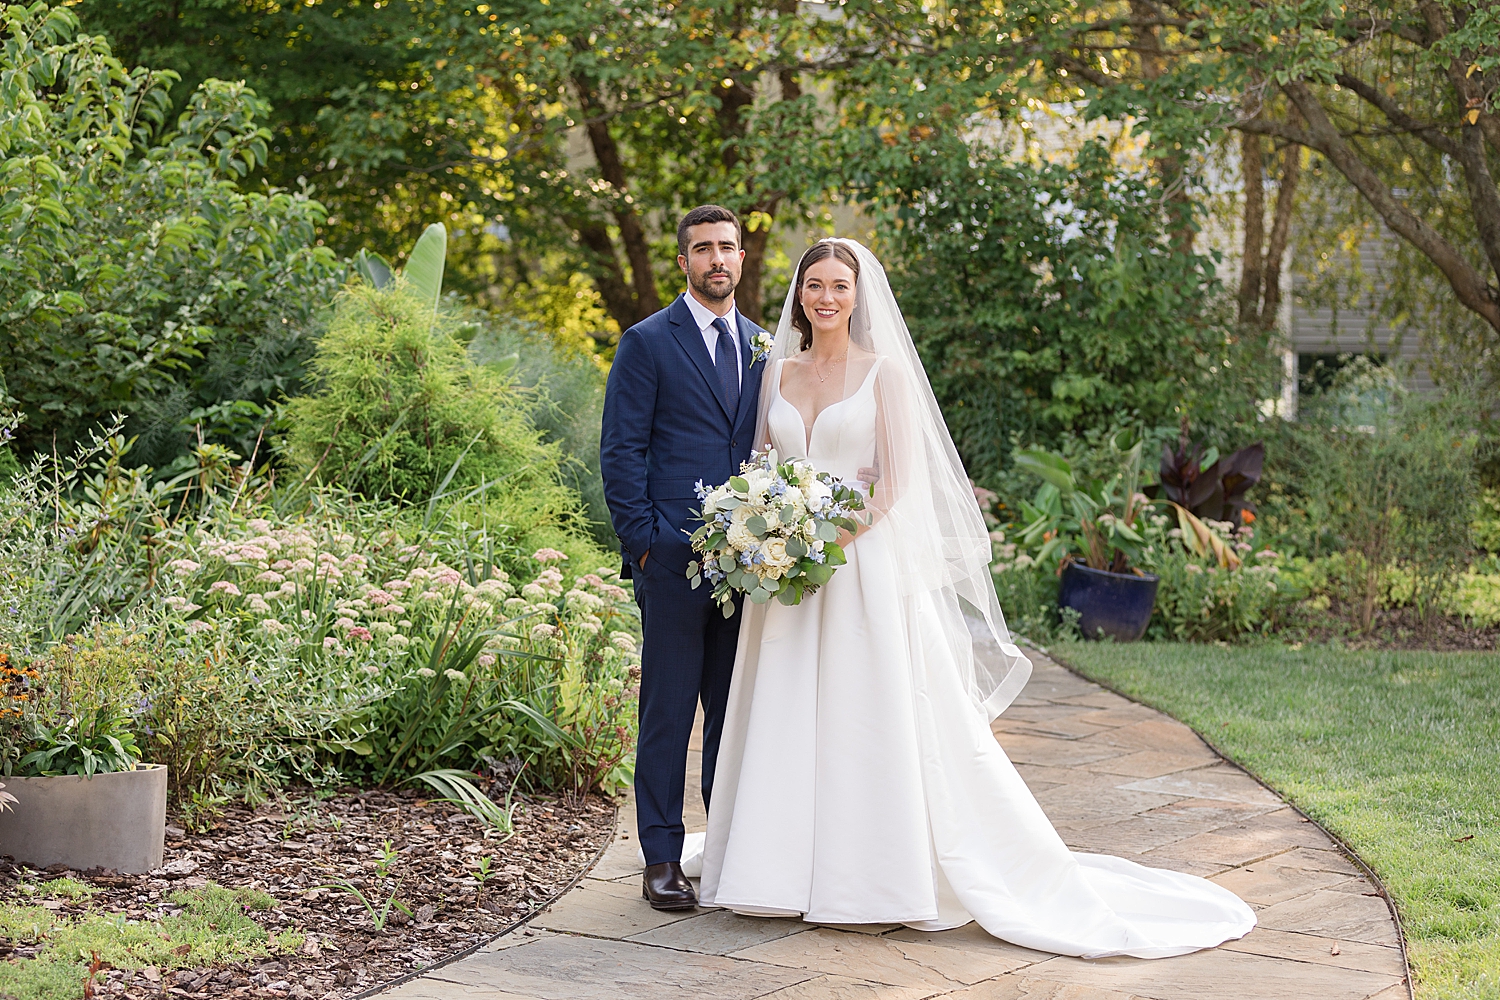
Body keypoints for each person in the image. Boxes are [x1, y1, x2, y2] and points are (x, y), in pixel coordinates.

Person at [697, 238, 1257, 958]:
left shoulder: (884, 376)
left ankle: (869, 877)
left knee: (864, 715)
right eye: (814, 285)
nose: (826, 297)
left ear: (859, 295)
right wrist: (767, 527)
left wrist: (827, 538)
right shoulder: (777, 371)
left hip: (858, 569)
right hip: (786, 578)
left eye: (840, 285)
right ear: (798, 294)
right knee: (786, 710)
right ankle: (777, 872)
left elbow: (897, 483)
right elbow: (762, 466)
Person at [599, 205, 769, 911]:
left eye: (727, 247)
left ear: (741, 257)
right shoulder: (647, 343)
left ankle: (724, 850)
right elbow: (621, 449)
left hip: (751, 567)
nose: (717, 259)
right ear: (684, 262)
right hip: (671, 563)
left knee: (734, 714)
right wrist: (647, 544)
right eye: (703, 249)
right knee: (667, 712)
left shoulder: (765, 344)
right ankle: (662, 857)